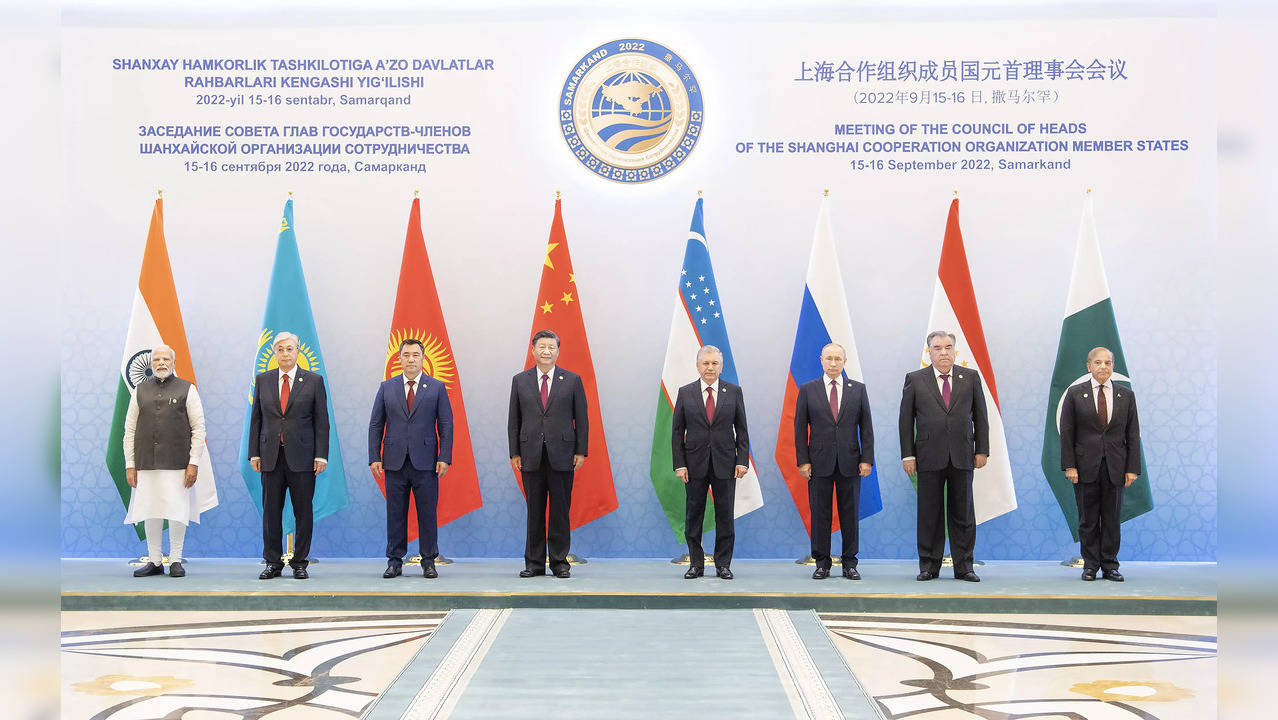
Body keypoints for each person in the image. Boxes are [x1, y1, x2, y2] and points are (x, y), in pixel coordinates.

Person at [899, 330, 988, 582]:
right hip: (928, 456)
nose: (943, 352)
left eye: (948, 347)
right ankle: (928, 566)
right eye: (937, 348)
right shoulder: (915, 379)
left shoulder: (969, 377)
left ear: (955, 351)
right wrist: (908, 455)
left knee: (963, 513)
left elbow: (981, 416)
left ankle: (964, 566)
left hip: (962, 455)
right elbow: (905, 421)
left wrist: (982, 449)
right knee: (930, 513)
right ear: (929, 352)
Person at [123, 345, 213, 578]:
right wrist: (129, 464)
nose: (161, 363)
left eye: (166, 359)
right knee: (150, 511)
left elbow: (198, 428)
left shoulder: (187, 389)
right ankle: (154, 561)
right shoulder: (139, 390)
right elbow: (129, 429)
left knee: (176, 511)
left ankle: (175, 560)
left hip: (178, 463)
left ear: (173, 362)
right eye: (157, 359)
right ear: (151, 364)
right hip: (145, 463)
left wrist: (193, 463)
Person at [369, 338, 453, 579]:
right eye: (406, 355)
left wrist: (444, 457)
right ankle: (395, 561)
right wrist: (374, 456)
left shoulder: (436, 387)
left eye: (416, 355)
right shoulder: (387, 387)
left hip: (426, 461)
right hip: (394, 461)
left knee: (427, 513)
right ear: (399, 358)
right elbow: (376, 424)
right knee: (395, 513)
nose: (411, 359)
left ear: (423, 358)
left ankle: (429, 561)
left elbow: (446, 424)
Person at [508, 330, 587, 579]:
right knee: (535, 510)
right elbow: (514, 420)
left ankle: (559, 562)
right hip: (530, 454)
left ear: (557, 351)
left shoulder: (572, 380)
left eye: (551, 347)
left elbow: (582, 419)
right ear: (533, 350)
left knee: (560, 511)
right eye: (541, 347)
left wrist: (581, 451)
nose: (546, 351)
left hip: (563, 454)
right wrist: (515, 452)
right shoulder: (520, 380)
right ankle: (534, 563)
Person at [249, 332, 329, 580]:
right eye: (280, 349)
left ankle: (300, 562)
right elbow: (256, 420)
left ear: (298, 351)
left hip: (303, 457)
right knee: (271, 512)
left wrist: (321, 456)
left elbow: (322, 422)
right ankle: (272, 562)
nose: (285, 354)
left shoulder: (314, 381)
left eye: (290, 349)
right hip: (270, 456)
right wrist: (254, 453)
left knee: (303, 511)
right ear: (274, 353)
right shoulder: (263, 380)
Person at [1059, 347, 1142, 582]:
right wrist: (1070, 466)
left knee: (1112, 518)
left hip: (1116, 467)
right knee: (1088, 519)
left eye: (1107, 363)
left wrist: (1132, 468)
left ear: (1113, 366)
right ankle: (1091, 566)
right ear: (1089, 366)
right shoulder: (1075, 394)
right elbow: (1067, 433)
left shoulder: (1126, 396)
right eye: (1098, 362)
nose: (1103, 367)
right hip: (1084, 467)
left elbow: (1133, 435)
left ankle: (1110, 566)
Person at [794, 342, 874, 580]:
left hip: (851, 462)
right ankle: (822, 563)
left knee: (850, 515)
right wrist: (803, 461)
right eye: (828, 359)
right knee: (820, 514)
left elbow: (866, 427)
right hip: (818, 463)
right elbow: (799, 428)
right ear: (821, 360)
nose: (833, 363)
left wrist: (866, 459)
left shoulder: (857, 390)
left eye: (837, 359)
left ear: (844, 362)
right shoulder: (808, 390)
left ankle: (850, 563)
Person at [672, 345, 750, 580]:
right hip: (693, 465)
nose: (710, 367)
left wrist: (742, 460)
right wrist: (680, 464)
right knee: (693, 515)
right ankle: (696, 564)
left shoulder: (734, 391)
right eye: (705, 363)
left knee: (725, 515)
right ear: (697, 366)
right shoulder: (685, 392)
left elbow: (742, 430)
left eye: (714, 363)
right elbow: (677, 432)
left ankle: (723, 564)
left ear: (721, 366)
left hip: (726, 463)